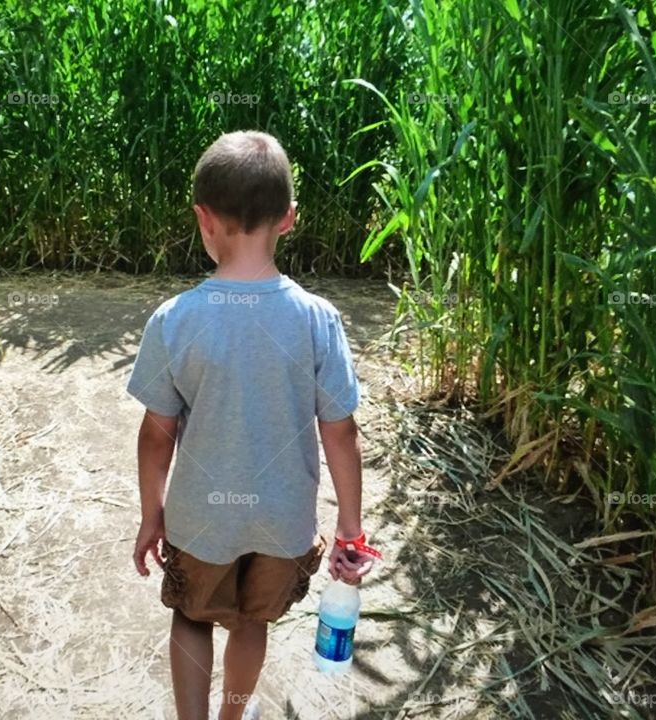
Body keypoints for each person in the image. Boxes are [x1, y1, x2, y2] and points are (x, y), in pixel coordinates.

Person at [127, 130, 378, 720]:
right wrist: (350, 529)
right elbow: (340, 432)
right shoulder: (319, 319)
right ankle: (232, 717)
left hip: (200, 518)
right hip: (282, 523)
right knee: (250, 622)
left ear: (202, 218)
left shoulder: (175, 320)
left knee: (192, 617)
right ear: (289, 219)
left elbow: (155, 434)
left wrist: (150, 515)